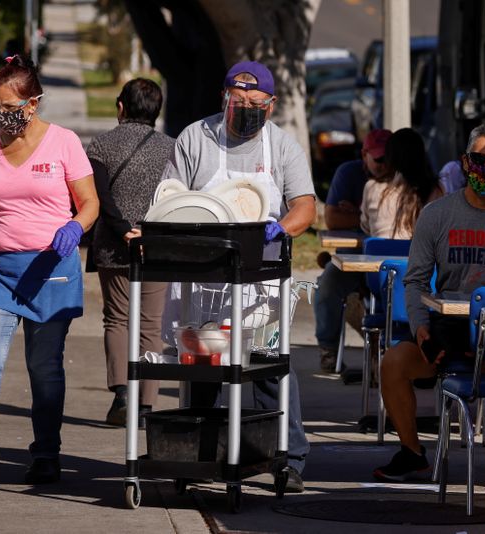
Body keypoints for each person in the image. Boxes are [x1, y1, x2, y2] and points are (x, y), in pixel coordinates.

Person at [0, 55, 99, 487]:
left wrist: (74, 226)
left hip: (50, 268)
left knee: (44, 368)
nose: (3, 116)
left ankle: (46, 454)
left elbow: (90, 203)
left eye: (11, 108)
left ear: (34, 103)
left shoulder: (64, 142)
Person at [160, 60, 316, 492]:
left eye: (254, 102)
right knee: (205, 367)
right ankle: (194, 457)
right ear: (224, 97)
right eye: (237, 100)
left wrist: (280, 228)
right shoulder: (197, 137)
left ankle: (289, 457)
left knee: (268, 367)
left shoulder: (283, 147)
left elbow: (305, 205)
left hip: (260, 280)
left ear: (271, 105)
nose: (244, 108)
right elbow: (171, 196)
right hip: (203, 278)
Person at [372, 123, 485, 482]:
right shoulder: (437, 215)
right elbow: (416, 280)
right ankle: (412, 452)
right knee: (393, 363)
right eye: (479, 160)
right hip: (447, 330)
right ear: (465, 162)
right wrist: (421, 332)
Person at [313, 128, 440, 373]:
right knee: (331, 280)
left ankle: (368, 351)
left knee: (341, 283)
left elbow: (368, 229)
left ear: (392, 158)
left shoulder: (373, 189)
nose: (381, 165)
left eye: (385, 159)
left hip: (379, 276)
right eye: (377, 159)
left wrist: (355, 213)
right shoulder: (436, 192)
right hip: (422, 279)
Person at [86, 78, 175, 426]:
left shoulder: (101, 145)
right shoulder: (172, 148)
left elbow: (99, 196)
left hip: (113, 245)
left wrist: (123, 230)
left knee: (117, 319)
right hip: (157, 246)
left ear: (121, 107)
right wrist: (148, 232)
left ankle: (122, 395)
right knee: (151, 326)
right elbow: (176, 196)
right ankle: (147, 405)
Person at [323, 128, 391, 231]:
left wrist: (358, 214)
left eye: (390, 158)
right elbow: (332, 219)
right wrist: (379, 218)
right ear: (364, 155)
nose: (386, 164)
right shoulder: (348, 172)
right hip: (352, 246)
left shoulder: (402, 177)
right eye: (379, 159)